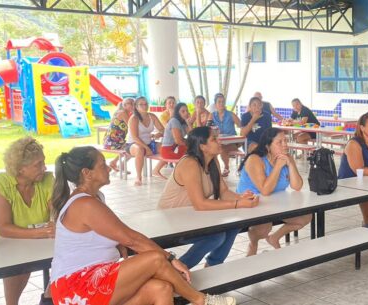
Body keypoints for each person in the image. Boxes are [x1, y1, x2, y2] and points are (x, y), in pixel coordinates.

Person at [48, 147, 235, 305]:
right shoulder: (84, 204)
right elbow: (132, 239)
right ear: (86, 174)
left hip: (94, 278)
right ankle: (202, 300)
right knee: (155, 259)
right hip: (76, 287)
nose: (109, 168)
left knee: (162, 288)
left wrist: (117, 243)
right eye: (102, 165)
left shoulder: (95, 198)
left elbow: (111, 234)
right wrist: (171, 259)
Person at [158, 126, 259, 268]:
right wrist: (238, 204)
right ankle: (176, 270)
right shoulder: (189, 163)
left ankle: (213, 265)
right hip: (171, 221)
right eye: (214, 139)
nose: (219, 141)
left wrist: (241, 198)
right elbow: (200, 204)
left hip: (192, 216)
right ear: (202, 146)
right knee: (216, 237)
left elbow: (223, 192)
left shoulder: (212, 161)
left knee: (234, 225)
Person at [0, 137, 54, 305]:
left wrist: (53, 222)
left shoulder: (47, 180)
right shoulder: (1, 184)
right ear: (20, 169)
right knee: (21, 262)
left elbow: (56, 210)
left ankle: (50, 296)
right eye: (37, 164)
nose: (44, 167)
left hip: (33, 239)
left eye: (43, 162)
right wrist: (44, 231)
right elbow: (4, 228)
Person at [236, 128, 311, 255]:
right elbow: (265, 190)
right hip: (251, 203)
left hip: (275, 203)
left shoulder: (286, 157)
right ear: (267, 146)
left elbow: (297, 186)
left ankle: (274, 238)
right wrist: (278, 166)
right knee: (264, 227)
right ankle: (253, 245)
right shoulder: (255, 159)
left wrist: (291, 164)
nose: (285, 145)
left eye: (286, 141)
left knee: (305, 217)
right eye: (279, 142)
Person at [127, 97, 166, 186]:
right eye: (141, 104)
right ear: (136, 107)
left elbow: (162, 130)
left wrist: (158, 134)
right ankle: (138, 177)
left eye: (146, 104)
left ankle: (156, 170)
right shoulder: (134, 119)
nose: (144, 106)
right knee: (140, 149)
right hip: (133, 144)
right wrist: (146, 148)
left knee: (166, 148)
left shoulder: (152, 116)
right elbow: (135, 137)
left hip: (149, 143)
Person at [211, 93, 243, 177]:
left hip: (233, 142)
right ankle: (213, 171)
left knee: (222, 148)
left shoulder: (231, 114)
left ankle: (226, 167)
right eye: (219, 102)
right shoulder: (212, 115)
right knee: (211, 150)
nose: (221, 104)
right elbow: (208, 128)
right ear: (215, 104)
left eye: (223, 102)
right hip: (219, 141)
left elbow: (241, 125)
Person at [103, 97, 134, 172]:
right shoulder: (123, 113)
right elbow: (131, 126)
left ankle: (114, 162)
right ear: (124, 105)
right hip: (113, 142)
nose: (133, 106)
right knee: (133, 148)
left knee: (132, 146)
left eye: (134, 104)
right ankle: (121, 166)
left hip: (111, 141)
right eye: (131, 104)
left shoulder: (123, 112)